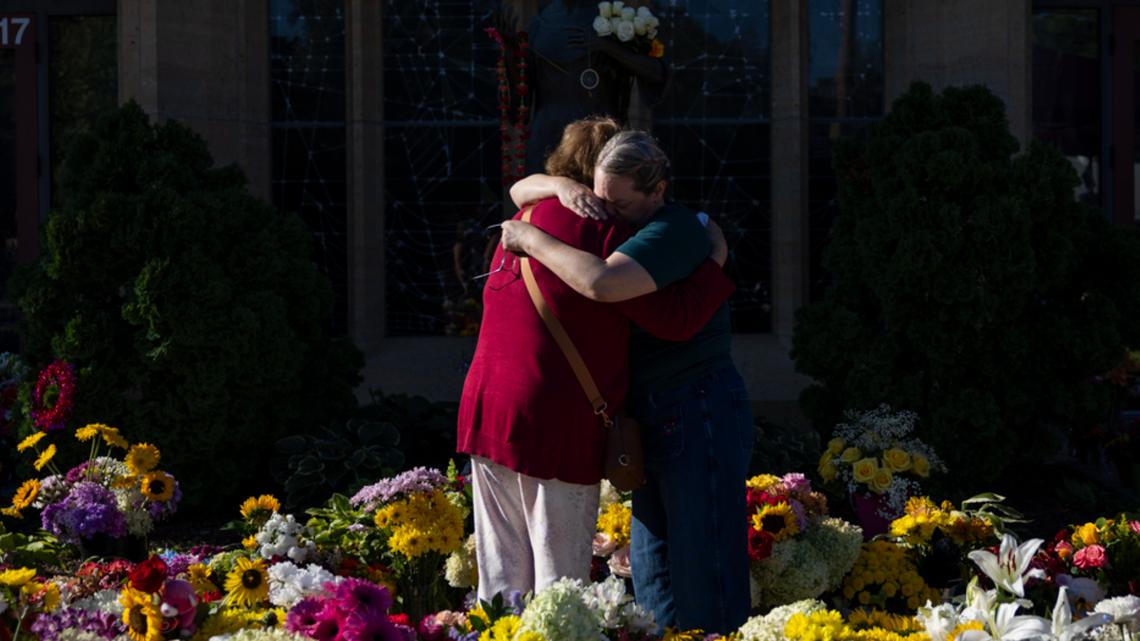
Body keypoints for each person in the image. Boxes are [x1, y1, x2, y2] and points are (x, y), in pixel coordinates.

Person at [456, 117, 736, 602]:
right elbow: (672, 319)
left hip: (486, 406)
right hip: (553, 417)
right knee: (559, 585)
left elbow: (520, 189)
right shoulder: (603, 234)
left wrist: (548, 194)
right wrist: (715, 259)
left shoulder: (523, 217)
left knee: (500, 581)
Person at [523, 0, 669, 173]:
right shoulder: (537, 26)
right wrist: (509, 56)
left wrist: (607, 47)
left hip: (600, 135)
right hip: (548, 135)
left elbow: (656, 72)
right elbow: (521, 99)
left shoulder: (615, 19)